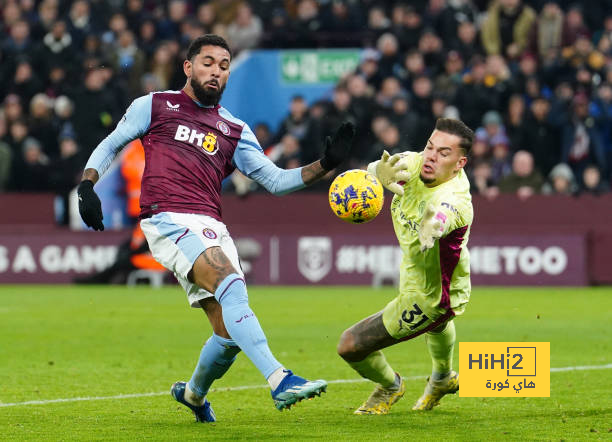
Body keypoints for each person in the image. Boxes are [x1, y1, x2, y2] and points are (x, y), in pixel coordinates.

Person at [76, 34, 355, 422]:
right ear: (188, 67)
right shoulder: (155, 105)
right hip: (168, 217)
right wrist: (87, 185)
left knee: (227, 333)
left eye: (224, 66)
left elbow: (275, 180)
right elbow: (111, 144)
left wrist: (326, 164)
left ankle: (193, 394)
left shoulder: (233, 129)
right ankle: (280, 378)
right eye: (208, 62)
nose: (217, 71)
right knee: (231, 285)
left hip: (211, 225)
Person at [337, 118, 474, 415]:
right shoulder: (415, 163)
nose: (431, 157)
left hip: (434, 295)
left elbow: (443, 216)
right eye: (429, 147)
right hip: (414, 270)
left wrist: (433, 227)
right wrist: (376, 172)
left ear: (459, 163)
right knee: (437, 330)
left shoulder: (456, 200)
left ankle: (390, 385)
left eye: (443, 153)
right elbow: (377, 168)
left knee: (349, 345)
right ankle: (442, 379)